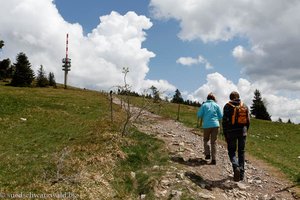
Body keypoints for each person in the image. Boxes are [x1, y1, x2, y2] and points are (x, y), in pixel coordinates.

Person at [222, 91, 250, 181]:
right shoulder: (244, 105)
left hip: (231, 132)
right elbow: (248, 120)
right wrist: (246, 130)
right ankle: (241, 174)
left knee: (232, 151)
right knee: (241, 152)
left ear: (230, 98)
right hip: (242, 132)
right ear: (238, 96)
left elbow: (224, 122)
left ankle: (236, 166)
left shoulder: (227, 106)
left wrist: (225, 134)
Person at [197, 93, 223, 165]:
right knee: (214, 142)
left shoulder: (204, 105)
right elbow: (220, 116)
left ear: (207, 98)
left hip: (206, 125)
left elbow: (199, 115)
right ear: (214, 98)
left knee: (206, 140)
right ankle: (214, 159)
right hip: (215, 125)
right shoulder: (216, 105)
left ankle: (207, 154)